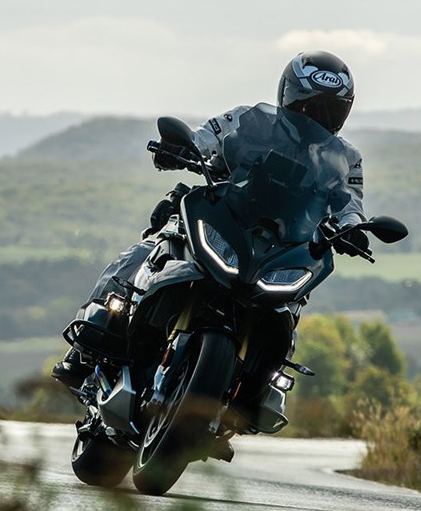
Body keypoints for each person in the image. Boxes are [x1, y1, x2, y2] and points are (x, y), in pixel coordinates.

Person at [52, 50, 367, 388]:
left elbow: (350, 202)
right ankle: (88, 341)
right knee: (149, 248)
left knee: (290, 306)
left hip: (284, 242)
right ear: (287, 94)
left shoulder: (346, 158)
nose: (314, 116)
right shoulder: (248, 119)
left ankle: (258, 389)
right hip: (224, 214)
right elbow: (204, 138)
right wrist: (181, 148)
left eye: (328, 109)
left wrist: (354, 229)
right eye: (307, 104)